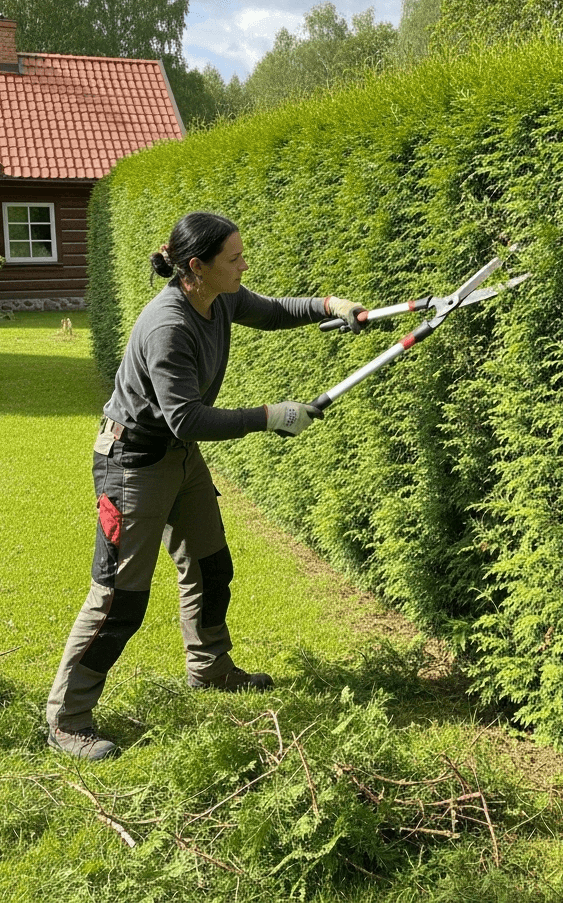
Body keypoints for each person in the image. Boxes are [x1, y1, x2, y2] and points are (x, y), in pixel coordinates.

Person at [45, 211, 365, 761]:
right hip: (133, 462)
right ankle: (67, 719)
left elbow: (271, 311)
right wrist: (269, 415)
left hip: (178, 457)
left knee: (211, 564)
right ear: (196, 267)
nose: (244, 265)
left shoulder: (218, 298)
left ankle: (210, 667)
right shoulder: (168, 326)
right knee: (120, 598)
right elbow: (186, 419)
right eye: (234, 258)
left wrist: (330, 306)